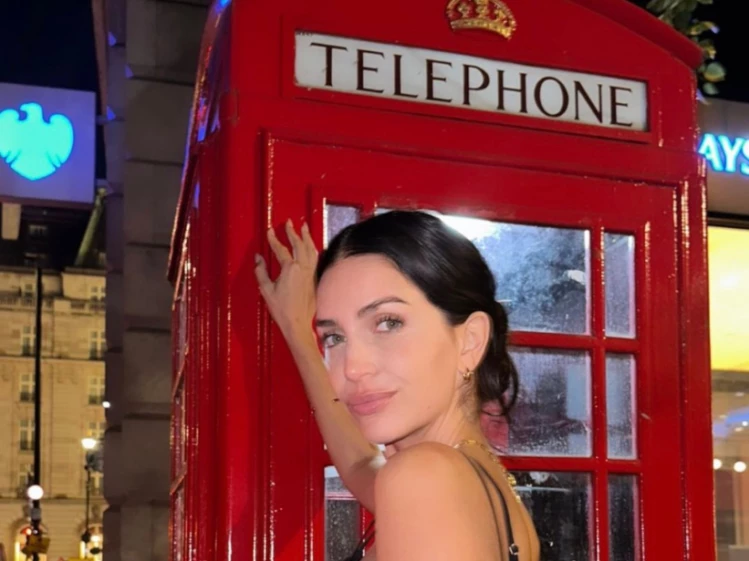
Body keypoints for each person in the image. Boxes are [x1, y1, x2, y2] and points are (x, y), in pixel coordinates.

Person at [255, 210, 540, 561]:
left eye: (388, 323)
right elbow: (361, 464)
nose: (353, 368)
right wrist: (298, 329)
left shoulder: (421, 477)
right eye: (334, 337)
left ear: (470, 340)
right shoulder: (477, 483)